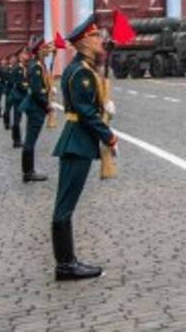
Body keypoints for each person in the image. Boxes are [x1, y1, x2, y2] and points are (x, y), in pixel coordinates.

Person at [50, 15, 117, 281]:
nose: (102, 42)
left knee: (65, 205)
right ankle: (65, 265)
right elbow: (86, 112)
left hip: (78, 141)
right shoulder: (81, 72)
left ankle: (67, 262)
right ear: (86, 43)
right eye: (97, 38)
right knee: (64, 207)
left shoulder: (83, 69)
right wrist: (108, 135)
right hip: (77, 143)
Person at [19, 39, 53, 183]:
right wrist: (47, 105)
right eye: (44, 48)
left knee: (30, 140)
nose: (47, 50)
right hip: (35, 108)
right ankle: (28, 172)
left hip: (34, 107)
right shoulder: (37, 67)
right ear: (38, 50)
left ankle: (28, 171)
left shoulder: (38, 65)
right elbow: (37, 91)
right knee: (30, 141)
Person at [10, 41, 33, 149]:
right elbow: (20, 84)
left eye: (27, 53)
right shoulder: (16, 69)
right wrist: (30, 88)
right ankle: (16, 140)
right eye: (24, 53)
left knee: (31, 118)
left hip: (26, 97)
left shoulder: (27, 67)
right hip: (19, 97)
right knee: (16, 121)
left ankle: (29, 138)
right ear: (19, 56)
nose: (26, 55)